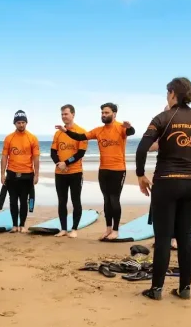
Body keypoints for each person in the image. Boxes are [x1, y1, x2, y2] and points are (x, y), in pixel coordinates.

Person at [135, 77, 191, 301]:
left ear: (173, 93)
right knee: (186, 236)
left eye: (168, 93)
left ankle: (156, 290)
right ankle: (185, 288)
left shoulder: (163, 117)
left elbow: (142, 148)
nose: (167, 96)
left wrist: (140, 175)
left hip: (166, 182)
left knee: (164, 237)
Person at [58, 103, 135, 240]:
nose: (103, 115)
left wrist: (130, 127)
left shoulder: (121, 128)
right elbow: (80, 137)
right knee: (106, 200)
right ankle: (108, 229)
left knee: (114, 199)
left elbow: (130, 132)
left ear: (114, 114)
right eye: (102, 113)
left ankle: (116, 230)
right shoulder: (98, 130)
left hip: (118, 170)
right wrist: (66, 131)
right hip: (103, 170)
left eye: (106, 113)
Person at [50, 104, 87, 238]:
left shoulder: (81, 132)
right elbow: (53, 152)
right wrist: (59, 164)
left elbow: (80, 153)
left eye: (66, 114)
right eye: (62, 114)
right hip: (60, 174)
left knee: (75, 200)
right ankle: (63, 229)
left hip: (75, 172)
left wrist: (66, 163)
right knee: (62, 201)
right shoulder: (58, 133)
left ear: (73, 114)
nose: (64, 116)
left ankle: (74, 229)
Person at [0, 110, 40, 233]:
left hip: (27, 175)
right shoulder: (9, 138)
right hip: (12, 174)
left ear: (26, 123)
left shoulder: (32, 138)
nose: (21, 125)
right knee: (12, 201)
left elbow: (36, 158)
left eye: (23, 122)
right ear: (15, 123)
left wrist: (37, 174)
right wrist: (2, 174)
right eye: (18, 122)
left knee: (24, 201)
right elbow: (4, 157)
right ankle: (14, 225)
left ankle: (22, 225)